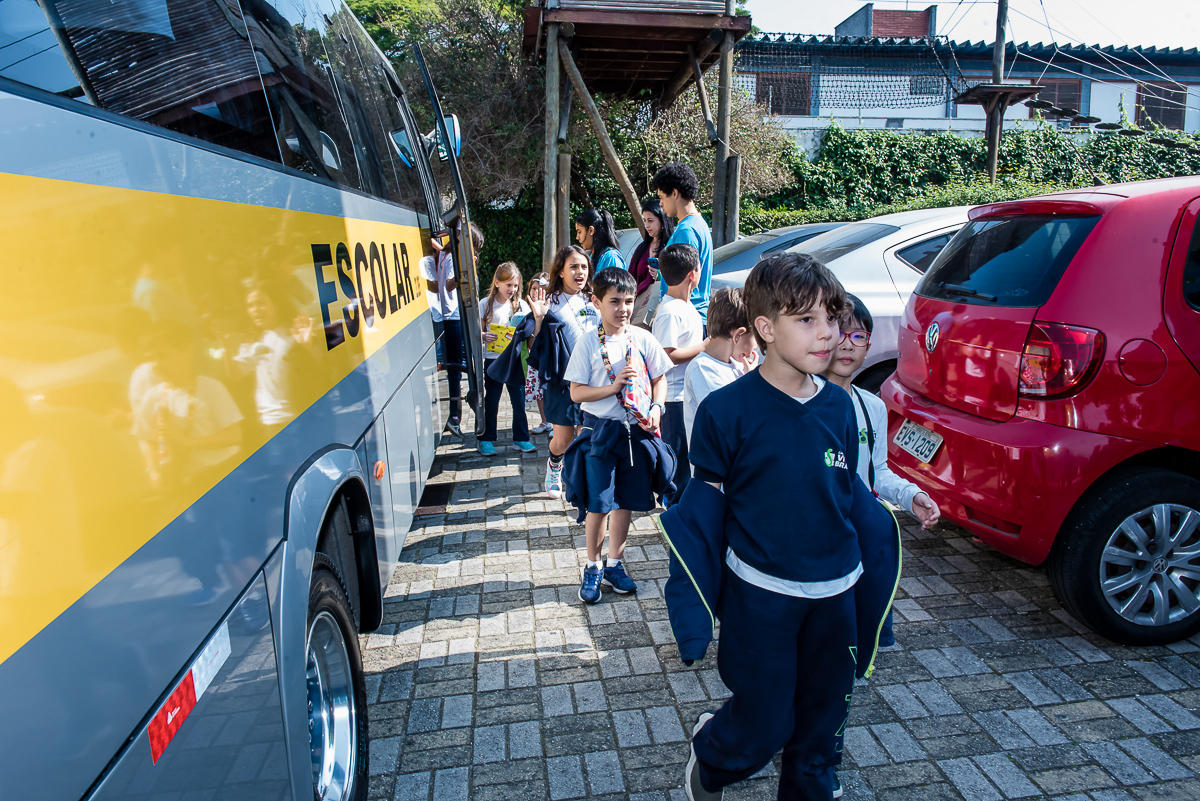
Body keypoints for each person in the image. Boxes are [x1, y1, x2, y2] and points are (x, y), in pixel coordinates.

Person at [682, 252, 867, 801]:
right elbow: (701, 516)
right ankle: (711, 759)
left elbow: (848, 490)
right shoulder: (725, 412)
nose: (827, 333)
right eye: (806, 320)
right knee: (764, 725)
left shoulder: (840, 406)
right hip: (761, 597)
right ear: (765, 328)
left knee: (821, 731)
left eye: (831, 318)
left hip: (837, 595)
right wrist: (693, 601)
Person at [823, 293, 940, 650]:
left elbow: (877, 471)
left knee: (864, 621)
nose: (848, 345)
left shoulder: (871, 405)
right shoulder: (801, 403)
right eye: (839, 334)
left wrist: (912, 496)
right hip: (819, 537)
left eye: (859, 336)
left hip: (860, 533)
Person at [563, 268, 672, 603]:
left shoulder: (641, 338)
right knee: (599, 503)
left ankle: (615, 563)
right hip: (601, 433)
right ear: (596, 302)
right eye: (614, 302)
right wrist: (610, 388)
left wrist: (657, 408)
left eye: (628, 301)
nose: (623, 308)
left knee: (625, 500)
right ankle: (593, 566)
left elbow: (660, 378)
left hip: (635, 433)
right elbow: (576, 393)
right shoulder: (587, 342)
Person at [528, 245, 599, 498]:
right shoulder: (550, 303)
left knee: (586, 436)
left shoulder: (595, 298)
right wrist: (538, 320)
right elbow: (534, 349)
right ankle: (554, 464)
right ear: (560, 271)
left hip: (592, 379)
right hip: (561, 381)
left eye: (583, 266)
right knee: (563, 439)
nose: (580, 272)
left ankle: (580, 480)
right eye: (573, 266)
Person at [652, 243, 705, 504]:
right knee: (678, 467)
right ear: (692, 275)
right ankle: (674, 511)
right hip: (673, 400)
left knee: (686, 461)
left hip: (687, 396)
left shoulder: (685, 307)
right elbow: (666, 356)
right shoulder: (670, 311)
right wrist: (704, 347)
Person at [421, 223, 484, 437]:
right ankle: (455, 417)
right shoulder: (452, 259)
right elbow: (449, 285)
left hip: (454, 315)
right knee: (459, 368)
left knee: (460, 367)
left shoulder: (447, 255)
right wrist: (465, 272)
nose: (475, 253)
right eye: (473, 247)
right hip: (454, 316)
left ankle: (456, 416)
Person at [681, 287, 756, 445]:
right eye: (757, 337)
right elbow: (729, 419)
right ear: (738, 335)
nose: (756, 347)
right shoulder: (702, 368)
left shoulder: (736, 366)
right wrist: (753, 382)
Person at [478, 262, 535, 456]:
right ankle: (485, 439)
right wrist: (484, 336)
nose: (512, 289)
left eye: (516, 285)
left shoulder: (521, 305)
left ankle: (521, 439)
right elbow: (475, 332)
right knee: (492, 400)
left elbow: (530, 329)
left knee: (518, 400)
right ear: (496, 283)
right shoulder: (484, 304)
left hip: (515, 360)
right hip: (493, 359)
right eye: (508, 285)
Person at [652, 163, 713, 326]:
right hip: (693, 316)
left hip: (683, 320)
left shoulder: (686, 231)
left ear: (674, 193)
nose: (660, 203)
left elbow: (683, 281)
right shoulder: (699, 223)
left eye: (662, 197)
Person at [629, 198, 673, 327]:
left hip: (662, 309)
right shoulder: (641, 248)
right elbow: (631, 277)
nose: (646, 225)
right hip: (638, 305)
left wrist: (660, 276)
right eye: (645, 221)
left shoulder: (671, 248)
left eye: (650, 221)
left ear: (663, 221)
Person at [526, 271, 551, 435]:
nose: (537, 292)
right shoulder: (527, 311)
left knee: (550, 390)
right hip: (536, 358)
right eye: (534, 288)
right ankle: (544, 421)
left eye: (541, 289)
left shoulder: (554, 309)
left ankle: (556, 424)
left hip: (550, 357)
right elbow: (530, 341)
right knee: (539, 390)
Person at [576, 208, 626, 274]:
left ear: (591, 230)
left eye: (579, 232)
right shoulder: (593, 255)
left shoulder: (611, 258)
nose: (577, 237)